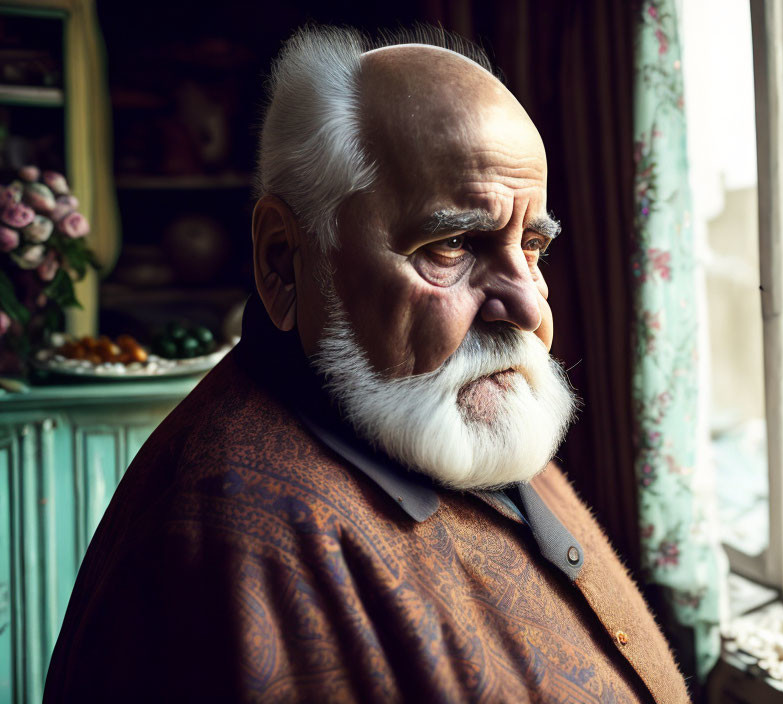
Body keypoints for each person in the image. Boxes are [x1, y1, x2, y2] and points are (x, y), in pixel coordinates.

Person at [44, 26, 690, 703]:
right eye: (454, 245)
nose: (528, 308)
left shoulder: (452, 405)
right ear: (283, 262)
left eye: (531, 246)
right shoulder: (229, 549)